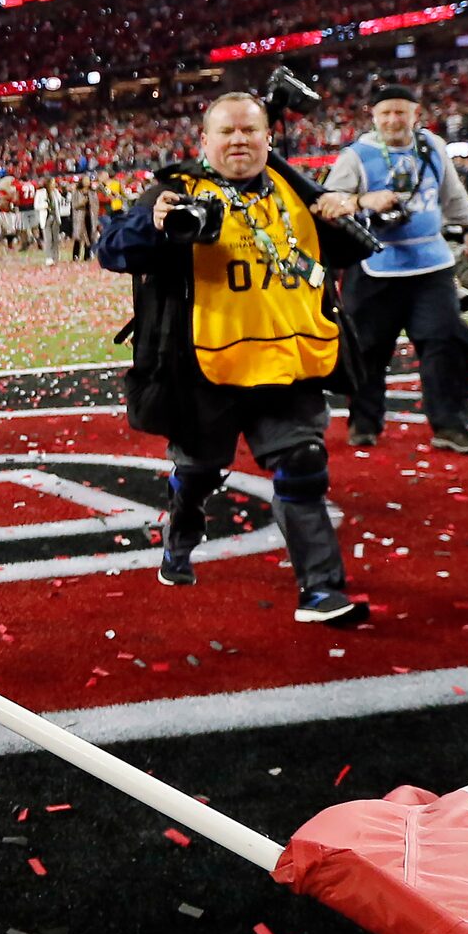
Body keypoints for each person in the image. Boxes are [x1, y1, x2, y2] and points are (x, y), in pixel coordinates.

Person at [97, 91, 378, 625]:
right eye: (226, 131)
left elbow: (352, 251)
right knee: (199, 471)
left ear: (269, 137)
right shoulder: (177, 191)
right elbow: (110, 248)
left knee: (303, 464)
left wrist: (343, 211)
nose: (239, 140)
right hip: (205, 370)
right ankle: (182, 527)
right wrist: (150, 224)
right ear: (204, 140)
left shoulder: (298, 193)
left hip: (287, 363)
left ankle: (320, 589)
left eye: (250, 130)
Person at [325, 78, 468, 453]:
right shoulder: (356, 155)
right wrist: (366, 200)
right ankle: (364, 422)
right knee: (367, 350)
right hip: (373, 266)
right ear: (373, 117)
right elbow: (330, 202)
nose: (393, 119)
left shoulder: (433, 146)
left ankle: (450, 424)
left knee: (445, 342)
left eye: (400, 111)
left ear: (416, 114)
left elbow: (451, 192)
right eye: (385, 113)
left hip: (431, 266)